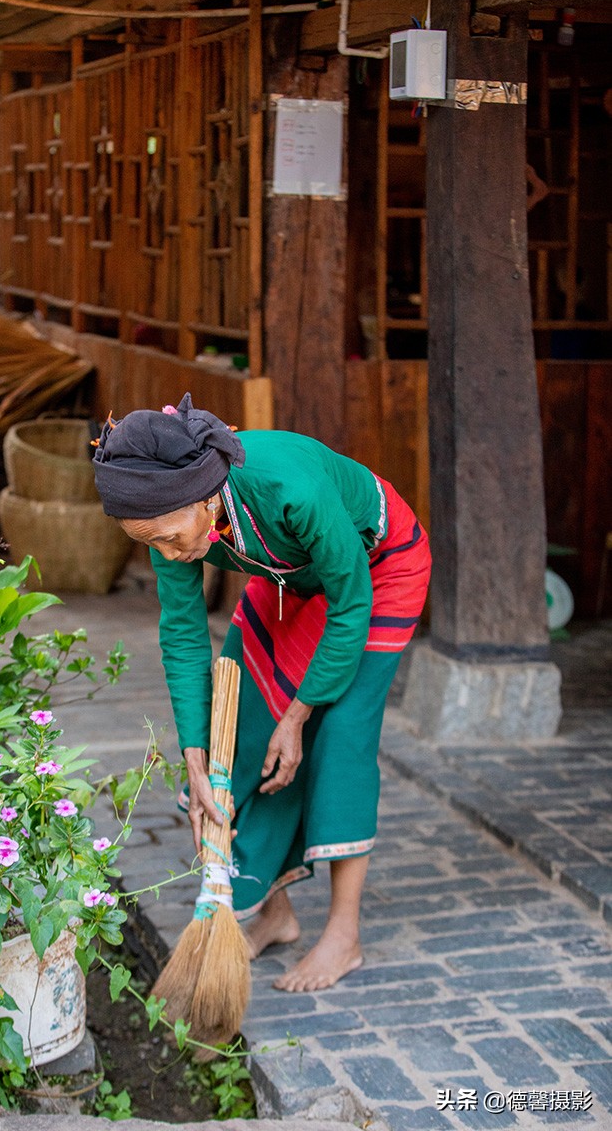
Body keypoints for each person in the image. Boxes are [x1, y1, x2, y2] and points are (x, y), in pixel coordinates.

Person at [92, 393, 431, 993]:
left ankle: (343, 935)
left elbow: (351, 604)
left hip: (375, 574)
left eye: (172, 539)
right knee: (242, 727)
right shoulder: (168, 515)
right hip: (290, 579)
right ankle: (275, 912)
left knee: (340, 738)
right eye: (153, 544)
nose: (169, 554)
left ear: (204, 498)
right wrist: (195, 760)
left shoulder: (290, 487)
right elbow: (183, 631)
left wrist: (299, 715)